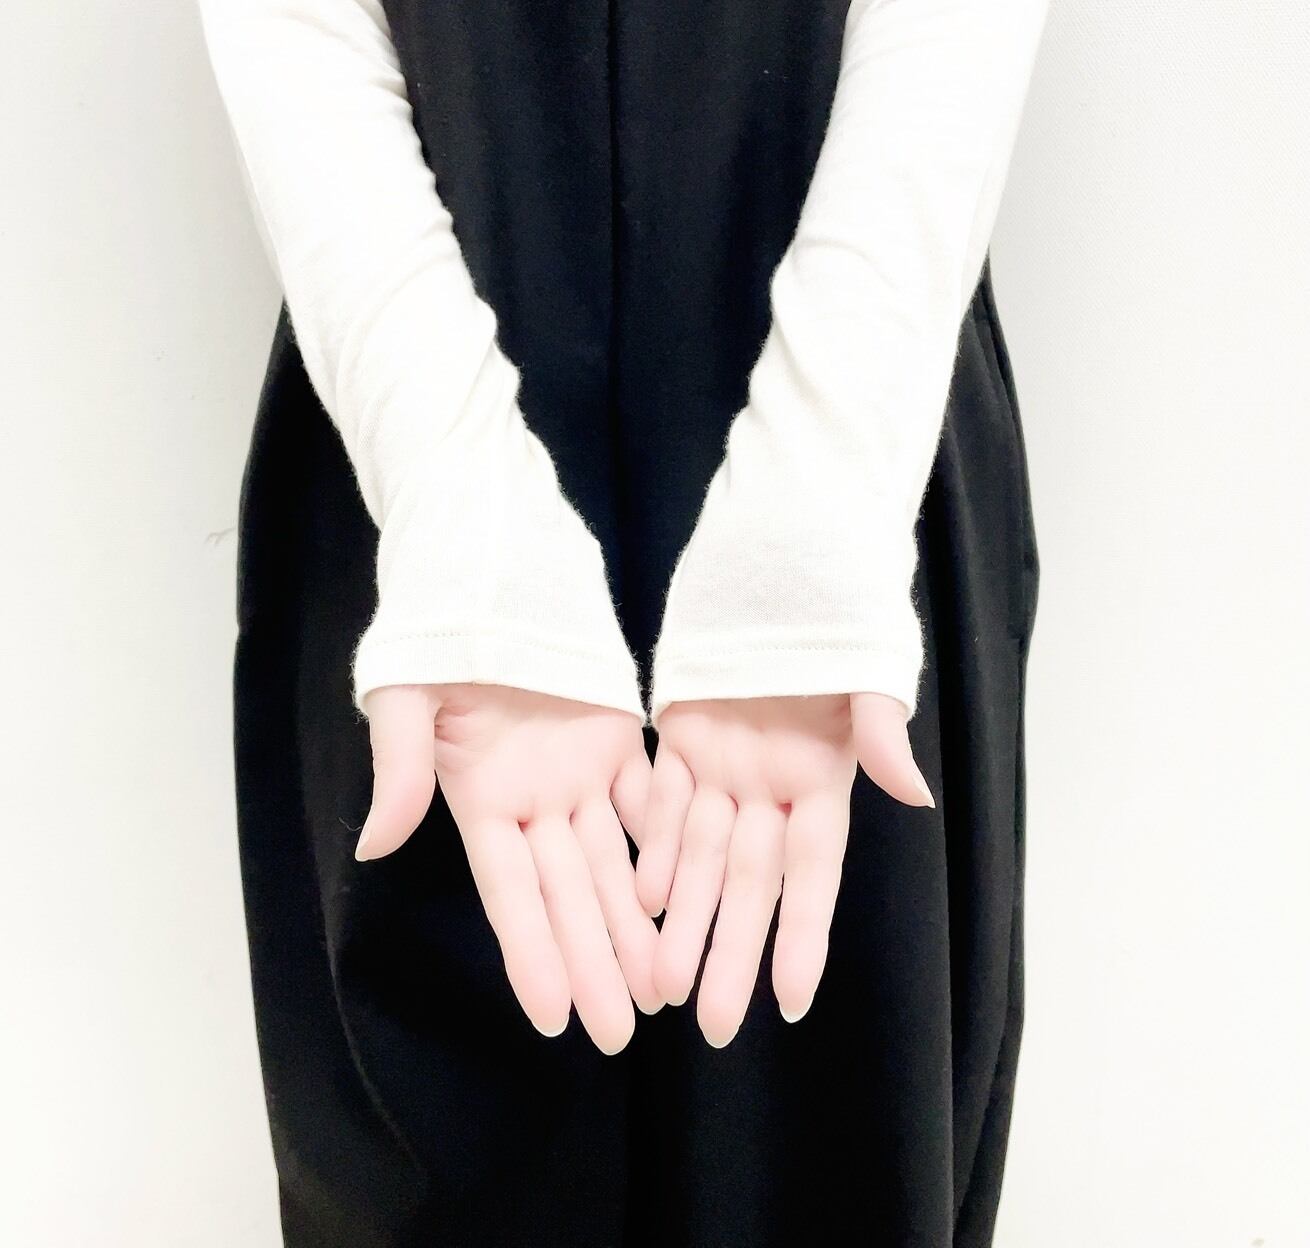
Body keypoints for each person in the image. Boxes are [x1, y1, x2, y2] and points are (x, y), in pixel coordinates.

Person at [198, 0, 1046, 1242]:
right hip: (413, 431)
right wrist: (451, 488)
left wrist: (822, 479)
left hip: (852, 454)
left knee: (845, 1160)